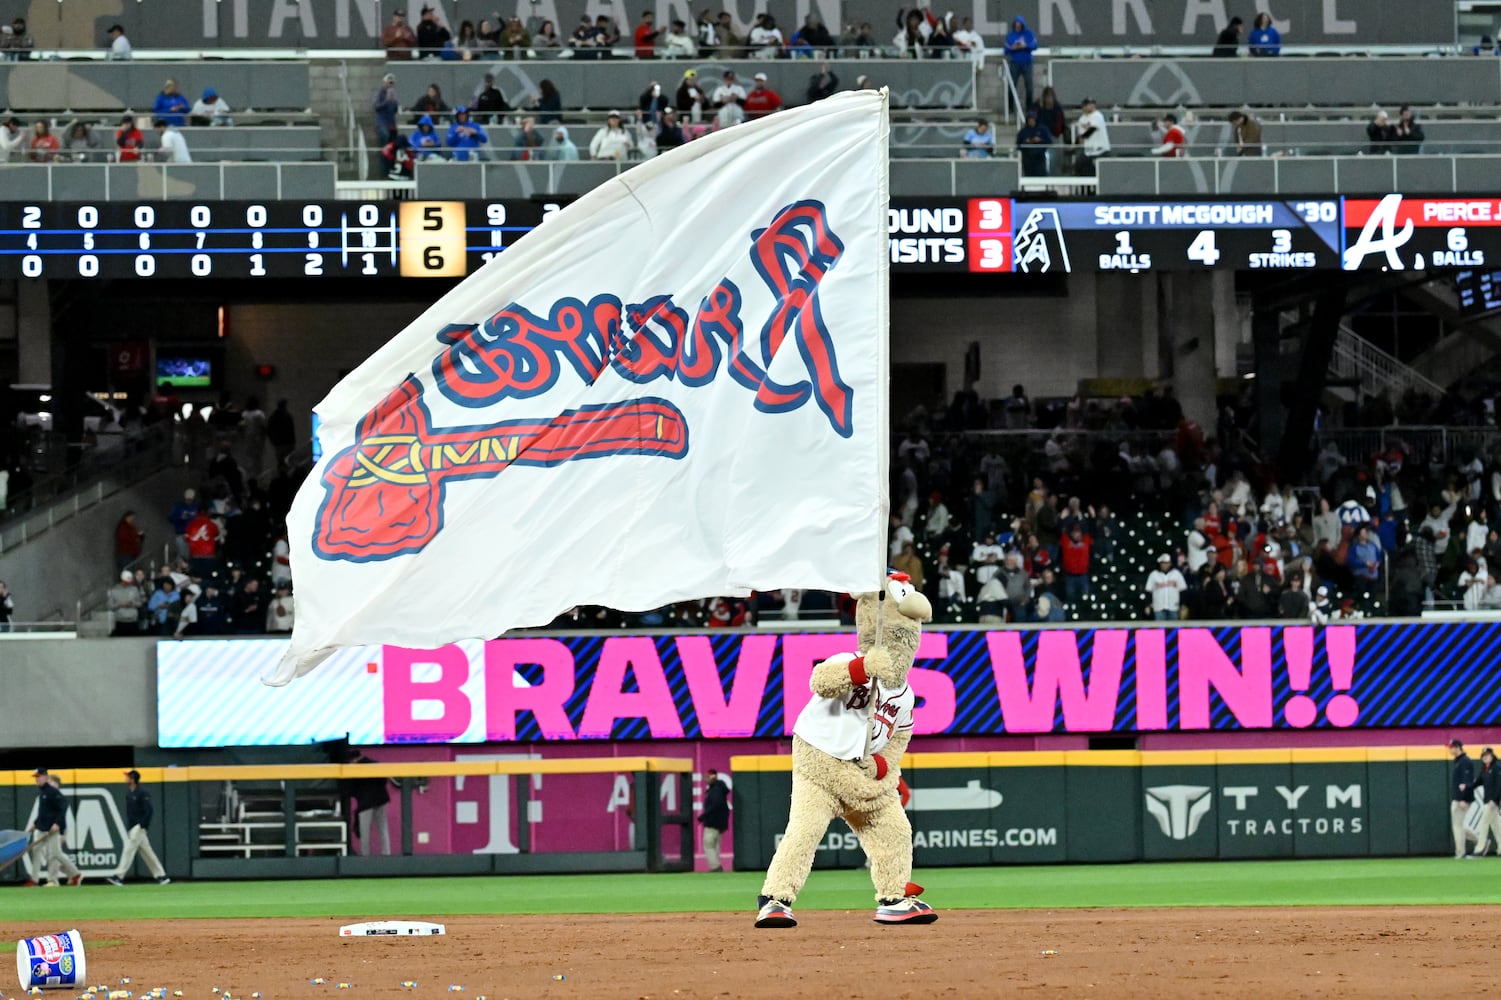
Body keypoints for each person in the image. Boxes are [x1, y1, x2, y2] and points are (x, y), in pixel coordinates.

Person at [107, 771, 170, 885]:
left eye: (127, 777)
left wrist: (142, 825)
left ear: (132, 779)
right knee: (147, 852)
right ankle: (162, 876)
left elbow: (149, 810)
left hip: (139, 827)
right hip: (133, 827)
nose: (125, 779)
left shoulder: (142, 792)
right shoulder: (129, 793)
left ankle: (118, 876)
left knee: (128, 850)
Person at [26, 769, 82, 887]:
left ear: (46, 777)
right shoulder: (42, 792)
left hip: (52, 829)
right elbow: (44, 812)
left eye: (39, 776)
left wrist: (57, 823)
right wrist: (35, 824)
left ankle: (75, 874)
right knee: (36, 851)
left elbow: (63, 806)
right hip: (42, 828)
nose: (37, 778)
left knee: (56, 853)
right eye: (36, 776)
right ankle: (34, 880)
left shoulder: (51, 791)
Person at [347, 749, 393, 856]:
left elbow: (352, 788)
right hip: (381, 799)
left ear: (353, 760)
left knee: (365, 832)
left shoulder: (354, 769)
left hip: (365, 803)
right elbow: (383, 781)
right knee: (383, 829)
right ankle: (387, 855)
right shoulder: (376, 764)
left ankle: (365, 857)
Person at [699, 768, 731, 872]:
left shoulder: (715, 790)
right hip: (720, 823)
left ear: (713, 777)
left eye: (707, 777)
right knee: (715, 845)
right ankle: (716, 866)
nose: (706, 779)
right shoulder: (720, 789)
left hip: (712, 822)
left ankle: (715, 866)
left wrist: (704, 816)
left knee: (708, 844)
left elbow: (714, 806)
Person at [1005, 17, 1037, 109]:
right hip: (1015, 63)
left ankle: (1029, 107)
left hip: (1027, 63)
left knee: (1029, 86)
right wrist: (1012, 48)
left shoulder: (1029, 34)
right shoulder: (1010, 36)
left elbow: (1035, 46)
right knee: (1011, 85)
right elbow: (1006, 50)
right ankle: (1010, 108)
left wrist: (1025, 46)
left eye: (1019, 25)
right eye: (1016, 25)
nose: (1018, 27)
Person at [1473, 748, 1501, 857]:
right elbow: (1477, 782)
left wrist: (1495, 800)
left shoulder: (1497, 768)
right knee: (1496, 825)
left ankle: (1480, 848)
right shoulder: (1484, 769)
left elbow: (1499, 785)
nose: (1485, 757)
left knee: (1484, 822)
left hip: (1492, 802)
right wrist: (1467, 786)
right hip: (1487, 801)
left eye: (1487, 755)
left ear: (1492, 756)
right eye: (1483, 755)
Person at [1452, 739, 1476, 859]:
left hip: (1461, 799)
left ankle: (1460, 852)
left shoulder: (1465, 761)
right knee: (1458, 825)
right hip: (1457, 797)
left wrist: (1463, 799)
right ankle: (1480, 841)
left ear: (1458, 747)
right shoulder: (1459, 761)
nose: (1450, 750)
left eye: (1452, 747)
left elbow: (1467, 782)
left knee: (1457, 826)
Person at [1073, 97, 1110, 175]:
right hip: (1088, 151)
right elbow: (1081, 136)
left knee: (1091, 169)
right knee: (1079, 166)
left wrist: (1081, 138)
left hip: (1101, 150)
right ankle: (1082, 186)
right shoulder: (1082, 119)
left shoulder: (1097, 115)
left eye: (1092, 104)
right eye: (1088, 104)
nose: (1091, 106)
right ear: (1084, 107)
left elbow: (1091, 131)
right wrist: (1076, 144)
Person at [1146, 554, 1186, 620]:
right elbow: (1148, 591)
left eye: (1166, 563)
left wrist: (1182, 605)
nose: (1164, 565)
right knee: (1160, 629)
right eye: (1163, 563)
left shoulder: (1176, 573)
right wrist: (1148, 605)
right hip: (1158, 608)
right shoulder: (1154, 574)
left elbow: (1182, 590)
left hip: (1174, 607)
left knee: (1173, 629)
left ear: (1170, 563)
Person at [108, 570, 143, 637]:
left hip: (133, 620)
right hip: (120, 620)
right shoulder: (114, 590)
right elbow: (110, 606)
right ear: (122, 580)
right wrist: (120, 604)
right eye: (126, 582)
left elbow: (139, 603)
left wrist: (132, 604)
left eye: (129, 582)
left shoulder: (134, 589)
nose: (127, 584)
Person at [372, 73, 400, 146]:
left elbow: (395, 110)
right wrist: (386, 101)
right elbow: (376, 107)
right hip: (382, 123)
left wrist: (395, 102)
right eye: (389, 82)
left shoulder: (393, 94)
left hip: (391, 123)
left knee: (393, 143)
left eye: (392, 83)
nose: (391, 85)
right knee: (385, 136)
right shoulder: (379, 93)